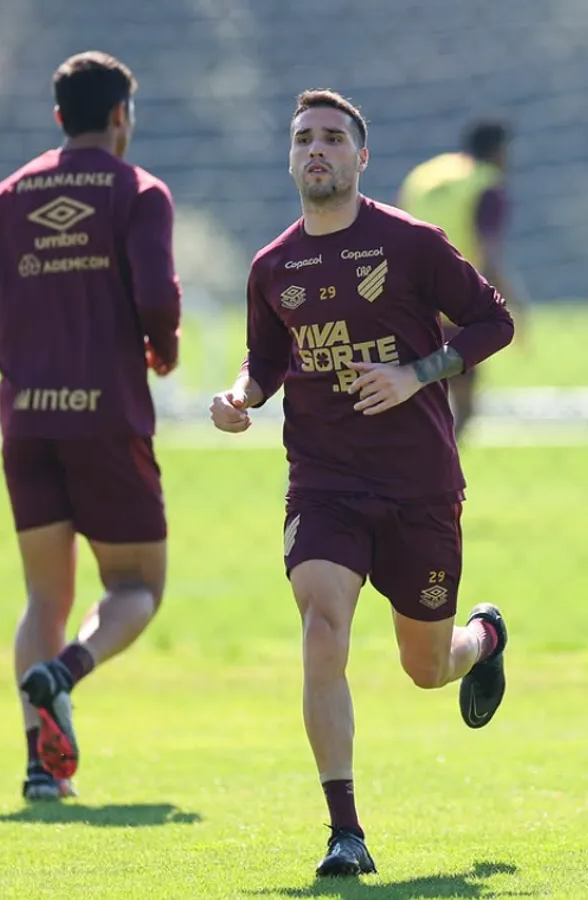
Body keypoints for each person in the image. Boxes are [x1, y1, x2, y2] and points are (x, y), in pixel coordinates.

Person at [210, 90, 514, 878]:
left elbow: (494, 322)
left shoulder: (411, 244)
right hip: (325, 482)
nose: (317, 149)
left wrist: (419, 372)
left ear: (361, 157)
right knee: (322, 626)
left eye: (333, 138)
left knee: (426, 667)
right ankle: (345, 832)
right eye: (303, 138)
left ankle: (484, 639)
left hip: (418, 484)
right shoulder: (273, 266)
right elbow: (265, 359)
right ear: (291, 159)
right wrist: (240, 396)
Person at [0, 51, 181, 801]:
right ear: (120, 117)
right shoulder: (139, 192)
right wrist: (163, 345)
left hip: (26, 421)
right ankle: (64, 672)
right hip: (105, 415)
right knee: (136, 586)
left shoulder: (7, 195)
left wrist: (40, 320)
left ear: (58, 117)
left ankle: (39, 769)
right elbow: (157, 296)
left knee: (43, 597)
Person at [397, 119, 529, 439]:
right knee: (464, 410)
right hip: (455, 309)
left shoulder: (424, 175)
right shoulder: (486, 184)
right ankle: (430, 463)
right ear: (500, 151)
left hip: (406, 306)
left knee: (409, 401)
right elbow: (488, 253)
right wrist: (514, 305)